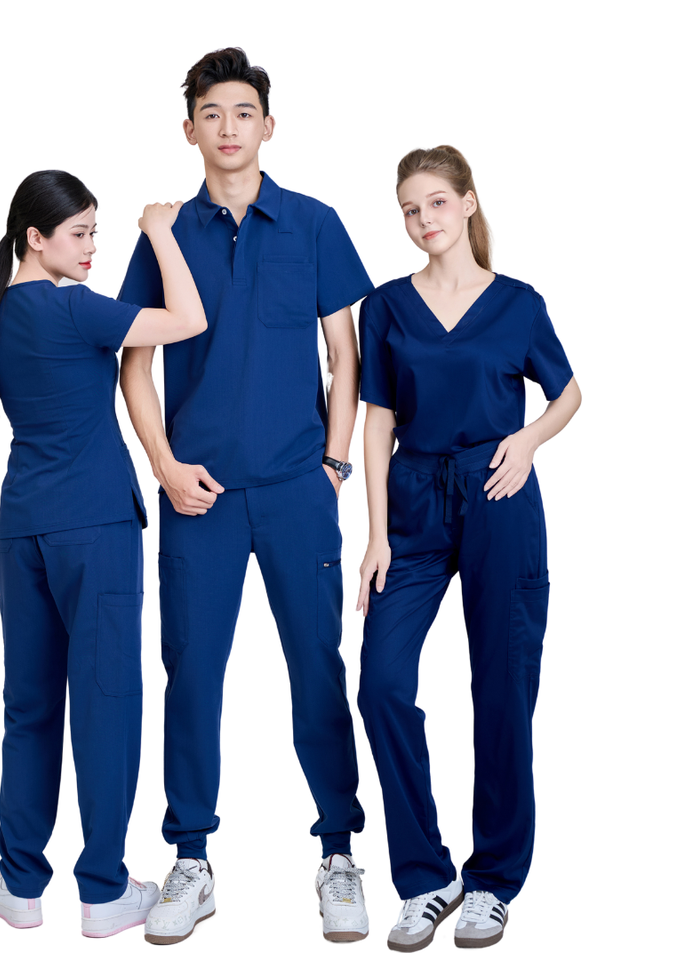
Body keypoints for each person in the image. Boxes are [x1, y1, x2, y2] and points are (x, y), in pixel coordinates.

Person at [118, 48, 372, 945]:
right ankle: (191, 859)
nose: (228, 128)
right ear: (189, 129)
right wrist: (163, 464)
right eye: (212, 114)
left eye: (243, 112)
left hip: (298, 488)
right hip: (201, 497)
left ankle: (338, 853)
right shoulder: (166, 234)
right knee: (191, 674)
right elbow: (134, 364)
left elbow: (345, 356)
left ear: (269, 125)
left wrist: (334, 464)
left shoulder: (313, 224)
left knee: (318, 668)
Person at [0, 170, 206, 939]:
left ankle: (19, 885)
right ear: (36, 238)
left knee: (29, 707)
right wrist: (158, 230)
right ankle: (103, 891)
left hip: (24, 527)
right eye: (80, 234)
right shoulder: (75, 308)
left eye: (97, 232)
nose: (93, 247)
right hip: (95, 529)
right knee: (106, 705)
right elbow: (188, 319)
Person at [355, 145, 581, 950]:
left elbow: (569, 392)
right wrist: (376, 535)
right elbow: (378, 421)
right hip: (413, 500)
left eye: (437, 203)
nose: (424, 220)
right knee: (381, 684)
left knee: (503, 688)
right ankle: (427, 877)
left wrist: (529, 440)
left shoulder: (518, 302)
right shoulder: (385, 306)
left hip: (498, 494)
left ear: (469, 202)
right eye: (410, 210)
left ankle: (492, 881)